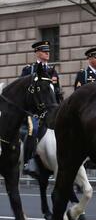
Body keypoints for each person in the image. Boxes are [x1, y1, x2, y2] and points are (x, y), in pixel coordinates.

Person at [20, 41, 62, 177]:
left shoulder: (52, 70)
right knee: (33, 129)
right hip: (34, 111)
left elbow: (56, 93)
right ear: (37, 52)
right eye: (44, 51)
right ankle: (28, 161)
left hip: (50, 111)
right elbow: (23, 91)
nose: (47, 53)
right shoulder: (29, 70)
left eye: (48, 51)